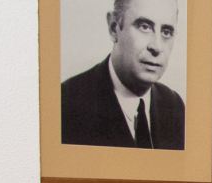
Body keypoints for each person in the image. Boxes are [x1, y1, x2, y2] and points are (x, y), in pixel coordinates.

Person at [61, 0, 185, 150]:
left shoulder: (174, 106)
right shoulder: (66, 104)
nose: (157, 47)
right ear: (114, 28)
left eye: (166, 32)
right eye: (144, 26)